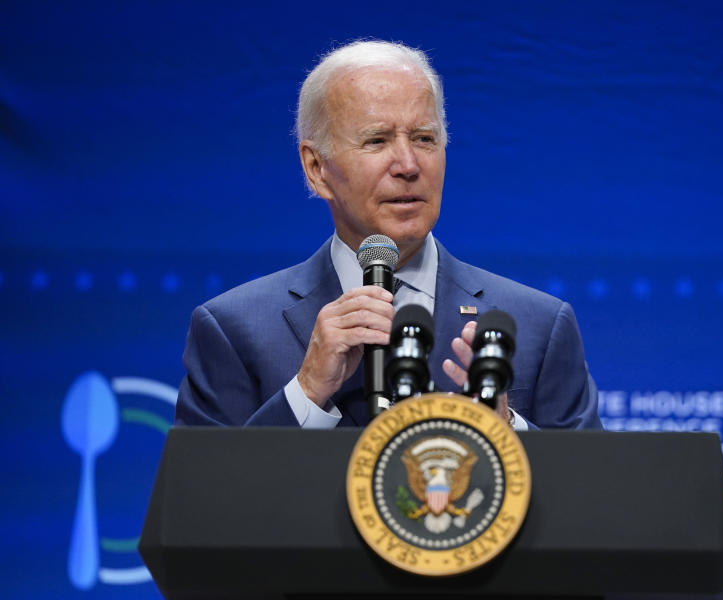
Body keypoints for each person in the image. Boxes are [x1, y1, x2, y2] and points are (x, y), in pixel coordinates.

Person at [175, 40, 601, 430]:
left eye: (424, 139)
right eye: (377, 141)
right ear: (316, 169)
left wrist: (506, 430)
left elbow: (592, 499)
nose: (408, 164)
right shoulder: (233, 331)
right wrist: (305, 393)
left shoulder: (538, 327)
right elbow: (201, 505)